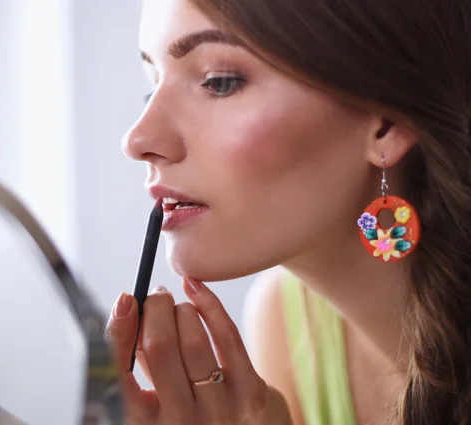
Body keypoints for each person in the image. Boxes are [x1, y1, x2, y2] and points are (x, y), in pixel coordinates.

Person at [105, 0, 471, 424]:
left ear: (387, 122)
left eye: (218, 82)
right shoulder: (289, 323)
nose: (137, 139)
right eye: (152, 87)